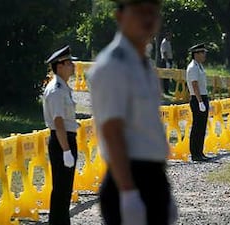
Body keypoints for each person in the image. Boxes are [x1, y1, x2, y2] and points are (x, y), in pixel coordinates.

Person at [88, 0, 178, 224]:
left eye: (153, 12)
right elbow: (112, 131)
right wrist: (128, 193)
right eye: (139, 11)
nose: (148, 18)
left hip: (153, 178)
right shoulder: (113, 65)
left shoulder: (142, 63)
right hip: (130, 180)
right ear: (120, 16)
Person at [43, 45, 78, 225]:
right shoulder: (57, 89)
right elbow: (58, 121)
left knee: (64, 191)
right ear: (60, 65)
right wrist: (66, 150)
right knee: (61, 190)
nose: (73, 66)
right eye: (70, 63)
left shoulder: (62, 87)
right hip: (61, 141)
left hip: (64, 139)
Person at [186, 43, 209, 162]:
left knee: (202, 127)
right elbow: (194, 85)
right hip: (197, 98)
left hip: (202, 97)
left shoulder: (199, 66)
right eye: (203, 53)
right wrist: (200, 102)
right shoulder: (193, 67)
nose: (204, 55)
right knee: (197, 127)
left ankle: (200, 152)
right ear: (197, 54)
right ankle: (195, 153)